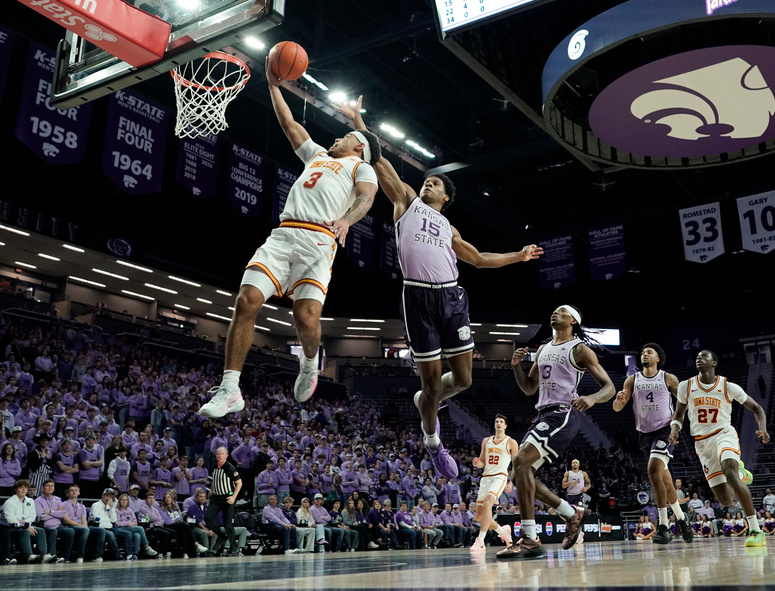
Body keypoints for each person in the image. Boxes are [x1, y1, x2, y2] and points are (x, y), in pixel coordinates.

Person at [335, 96, 542, 480]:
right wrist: (359, 120)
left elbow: (479, 259)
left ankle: (427, 401)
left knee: (462, 380)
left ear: (445, 197)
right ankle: (433, 441)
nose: (426, 184)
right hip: (417, 297)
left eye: (434, 183)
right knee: (431, 385)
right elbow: (378, 160)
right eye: (426, 181)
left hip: (452, 296)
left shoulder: (450, 228)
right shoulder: (406, 201)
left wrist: (520, 255)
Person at [198, 61, 382, 419]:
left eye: (345, 136)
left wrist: (346, 219)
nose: (336, 137)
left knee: (305, 316)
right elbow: (289, 124)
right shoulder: (317, 156)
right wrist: (273, 85)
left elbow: (366, 198)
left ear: (358, 147)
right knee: (247, 299)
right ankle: (230, 388)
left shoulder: (362, 167)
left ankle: (311, 363)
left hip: (319, 240)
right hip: (284, 234)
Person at [496, 305, 616, 559]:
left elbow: (609, 387)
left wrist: (593, 398)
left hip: (564, 413)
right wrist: (516, 365)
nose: (555, 313)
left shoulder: (579, 349)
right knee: (519, 474)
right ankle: (572, 514)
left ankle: (530, 538)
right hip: (542, 413)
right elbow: (529, 388)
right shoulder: (543, 349)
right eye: (554, 310)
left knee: (520, 461)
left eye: (562, 311)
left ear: (573, 320)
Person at [668, 349, 770, 549]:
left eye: (704, 356)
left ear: (714, 363)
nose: (699, 357)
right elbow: (679, 415)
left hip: (724, 433)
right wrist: (675, 430)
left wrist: (763, 428)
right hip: (702, 443)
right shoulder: (685, 386)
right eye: (698, 356)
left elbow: (757, 408)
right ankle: (738, 471)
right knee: (725, 500)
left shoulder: (727, 386)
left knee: (729, 471)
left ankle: (756, 530)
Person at [613, 342, 691, 544]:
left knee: (653, 471)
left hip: (664, 430)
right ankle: (682, 518)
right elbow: (616, 408)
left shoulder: (668, 378)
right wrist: (619, 400)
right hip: (644, 434)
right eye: (643, 351)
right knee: (664, 480)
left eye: (649, 352)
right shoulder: (632, 380)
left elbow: (685, 402)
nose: (644, 353)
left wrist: (677, 423)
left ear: (658, 358)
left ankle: (664, 526)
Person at [469, 414, 516, 551]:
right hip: (486, 477)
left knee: (488, 502)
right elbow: (483, 461)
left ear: (505, 426)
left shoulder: (511, 442)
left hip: (499, 477)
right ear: (494, 425)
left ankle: (480, 541)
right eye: (496, 421)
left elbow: (516, 465)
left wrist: (511, 483)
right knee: (479, 516)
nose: (499, 423)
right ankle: (503, 532)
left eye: (501, 421)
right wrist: (478, 463)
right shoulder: (486, 441)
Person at [2, 479, 42, 564]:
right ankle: (29, 555)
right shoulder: (9, 502)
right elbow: (10, 519)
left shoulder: (30, 501)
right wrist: (25, 525)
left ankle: (44, 555)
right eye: (21, 488)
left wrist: (27, 524)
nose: (24, 490)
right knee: (25, 532)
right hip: (12, 528)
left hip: (26, 525)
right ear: (16, 489)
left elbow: (32, 515)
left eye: (25, 488)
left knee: (40, 531)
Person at [35, 479, 75, 563]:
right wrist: (56, 512)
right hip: (45, 527)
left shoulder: (58, 499)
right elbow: (41, 516)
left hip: (58, 526)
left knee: (70, 531)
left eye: (52, 486)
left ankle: (65, 558)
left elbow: (63, 514)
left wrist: (50, 511)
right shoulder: (38, 501)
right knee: (53, 531)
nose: (50, 487)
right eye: (48, 486)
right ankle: (52, 556)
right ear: (42, 488)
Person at [114, 492, 158, 559]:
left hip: (130, 528)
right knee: (140, 529)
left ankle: (134, 554)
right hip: (120, 529)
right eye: (122, 500)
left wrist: (132, 524)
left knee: (137, 535)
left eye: (126, 500)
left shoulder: (130, 510)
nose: (124, 501)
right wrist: (128, 523)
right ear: (119, 501)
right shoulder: (116, 510)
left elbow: (135, 521)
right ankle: (146, 546)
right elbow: (117, 523)